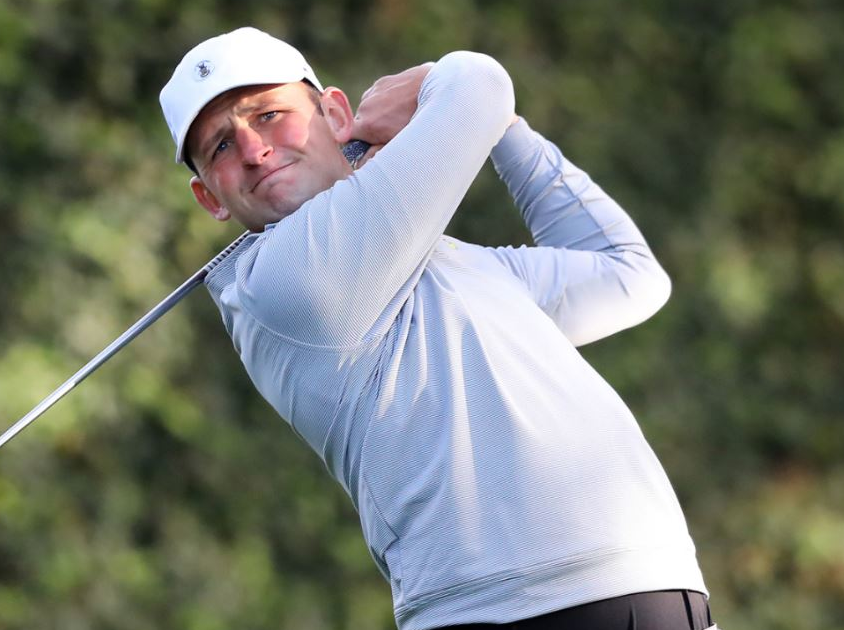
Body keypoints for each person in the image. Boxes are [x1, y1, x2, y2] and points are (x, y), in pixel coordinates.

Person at [159, 26, 716, 630]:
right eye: (220, 146)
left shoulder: (453, 264)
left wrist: (508, 130)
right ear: (210, 198)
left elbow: (627, 275)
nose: (252, 149)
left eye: (269, 115)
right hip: (504, 609)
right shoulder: (280, 281)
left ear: (336, 115)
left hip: (651, 584)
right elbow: (479, 83)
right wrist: (430, 83)